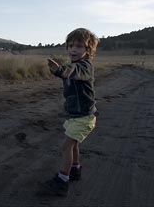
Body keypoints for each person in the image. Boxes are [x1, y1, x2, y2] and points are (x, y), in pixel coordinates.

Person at [44, 28, 100, 196]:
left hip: (84, 117)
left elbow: (72, 72)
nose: (73, 49)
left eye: (79, 46)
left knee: (67, 145)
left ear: (88, 50)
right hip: (76, 115)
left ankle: (63, 180)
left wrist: (60, 70)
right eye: (70, 46)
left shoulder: (85, 67)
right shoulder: (75, 65)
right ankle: (75, 169)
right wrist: (59, 72)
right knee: (74, 144)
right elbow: (68, 73)